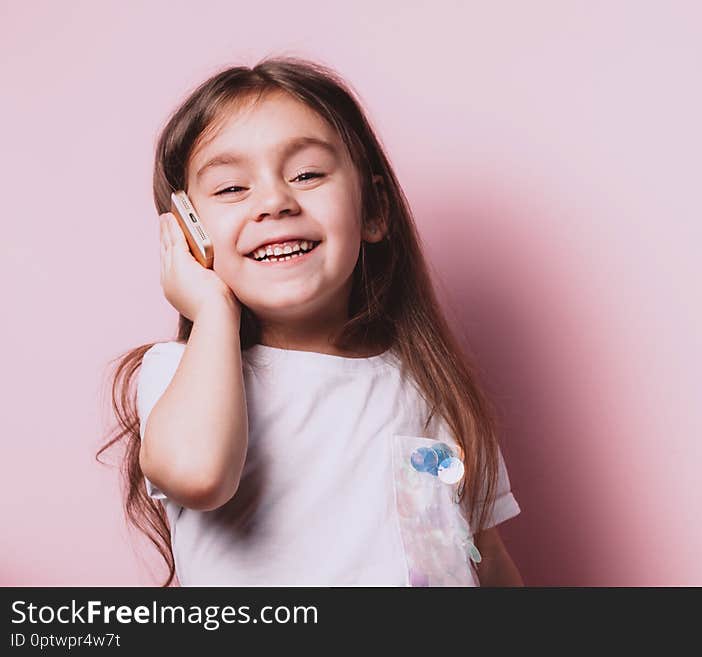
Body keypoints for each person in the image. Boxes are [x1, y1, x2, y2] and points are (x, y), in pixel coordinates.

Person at [98, 55, 522, 587]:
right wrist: (210, 310)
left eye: (307, 174)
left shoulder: (432, 387)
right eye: (232, 188)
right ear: (188, 234)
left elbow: (485, 562)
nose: (275, 202)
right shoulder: (184, 374)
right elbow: (197, 475)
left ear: (373, 212)